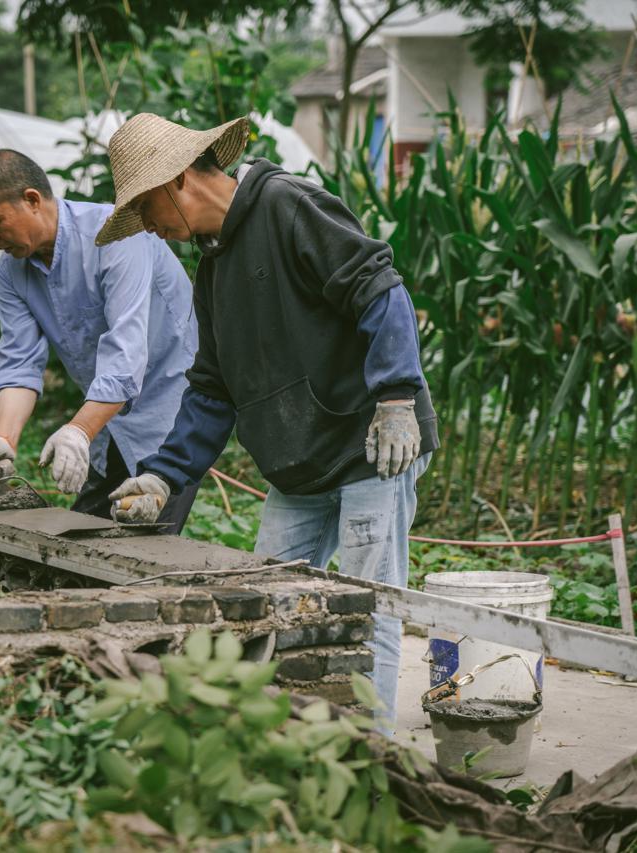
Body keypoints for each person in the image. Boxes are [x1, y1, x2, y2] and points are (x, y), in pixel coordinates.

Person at [97, 115, 438, 733]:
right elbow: (212, 386)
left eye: (146, 209)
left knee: (370, 614)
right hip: (297, 464)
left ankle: (375, 763)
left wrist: (395, 398)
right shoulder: (213, 266)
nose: (149, 226)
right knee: (262, 611)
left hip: (371, 448)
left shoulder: (287, 205)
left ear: (177, 183)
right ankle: (287, 743)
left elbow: (379, 288)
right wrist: (162, 477)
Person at [0, 148, 201, 533]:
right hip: (109, 422)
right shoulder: (12, 272)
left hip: (170, 417)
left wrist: (77, 432)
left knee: (145, 552)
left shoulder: (116, 233)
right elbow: (19, 364)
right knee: (81, 542)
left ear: (32, 200)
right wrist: (2, 439)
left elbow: (126, 355)